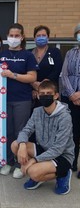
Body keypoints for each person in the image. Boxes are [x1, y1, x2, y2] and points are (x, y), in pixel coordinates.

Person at [11, 80, 74, 195]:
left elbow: (58, 149)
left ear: (56, 95)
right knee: (15, 145)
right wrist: (22, 144)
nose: (45, 96)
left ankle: (63, 173)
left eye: (49, 93)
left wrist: (33, 161)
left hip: (62, 155)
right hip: (44, 149)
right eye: (42, 94)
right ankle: (39, 175)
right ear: (38, 95)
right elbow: (26, 130)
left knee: (33, 172)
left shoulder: (65, 117)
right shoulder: (37, 111)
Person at [0, 23, 38, 178]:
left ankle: (20, 163)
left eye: (17, 35)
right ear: (7, 37)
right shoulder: (0, 55)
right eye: (11, 35)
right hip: (3, 100)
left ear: (22, 37)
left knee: (21, 132)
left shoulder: (28, 55)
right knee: (7, 132)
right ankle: (8, 161)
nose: (13, 38)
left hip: (22, 100)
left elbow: (32, 77)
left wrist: (13, 75)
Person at [61, 23, 80, 177]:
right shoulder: (71, 53)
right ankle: (72, 162)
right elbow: (64, 74)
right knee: (72, 133)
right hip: (70, 97)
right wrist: (72, 94)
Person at [30, 25, 63, 107]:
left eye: (44, 35)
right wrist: (33, 84)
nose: (41, 37)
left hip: (49, 92)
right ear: (34, 39)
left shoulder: (55, 52)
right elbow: (24, 71)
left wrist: (42, 85)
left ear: (48, 38)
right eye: (38, 36)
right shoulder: (28, 53)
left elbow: (57, 70)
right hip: (32, 93)